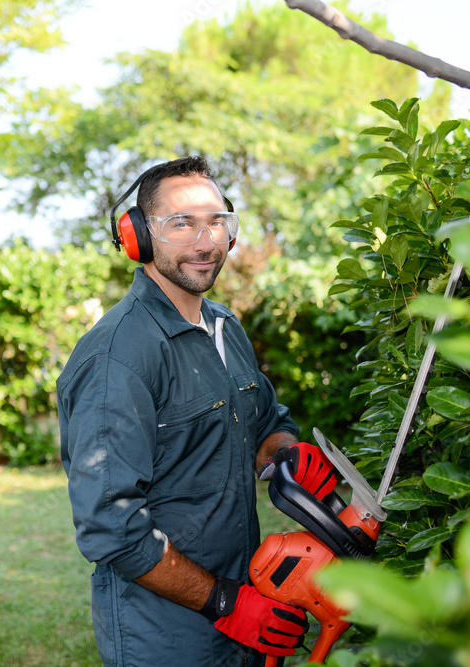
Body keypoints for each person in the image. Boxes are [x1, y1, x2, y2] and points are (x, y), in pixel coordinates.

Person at [57, 156, 322, 667]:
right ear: (138, 237)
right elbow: (112, 528)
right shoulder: (118, 358)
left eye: (216, 221)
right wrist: (226, 602)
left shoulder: (225, 328)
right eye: (181, 224)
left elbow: (266, 420)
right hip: (166, 634)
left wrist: (288, 457)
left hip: (246, 606)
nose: (205, 243)